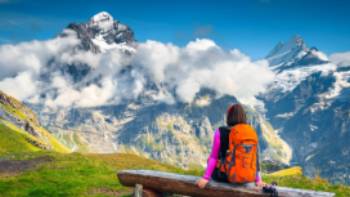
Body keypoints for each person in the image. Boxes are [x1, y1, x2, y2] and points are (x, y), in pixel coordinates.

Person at [196, 103, 264, 189]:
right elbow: (255, 158)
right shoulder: (250, 132)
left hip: (225, 176)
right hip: (247, 178)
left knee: (210, 159)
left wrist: (205, 178)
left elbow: (214, 157)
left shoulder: (220, 131)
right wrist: (258, 180)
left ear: (229, 116)